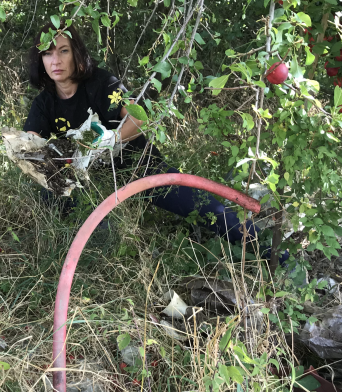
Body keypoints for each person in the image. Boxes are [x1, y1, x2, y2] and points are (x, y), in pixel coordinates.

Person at [24, 23, 259, 245]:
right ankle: (95, 251)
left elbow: (139, 118)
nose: (56, 60)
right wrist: (32, 153)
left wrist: (113, 140)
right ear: (40, 59)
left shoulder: (102, 82)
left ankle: (272, 251)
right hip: (93, 182)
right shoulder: (44, 103)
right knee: (49, 197)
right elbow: (30, 144)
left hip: (141, 168)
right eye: (48, 53)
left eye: (63, 51)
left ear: (76, 53)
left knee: (209, 211)